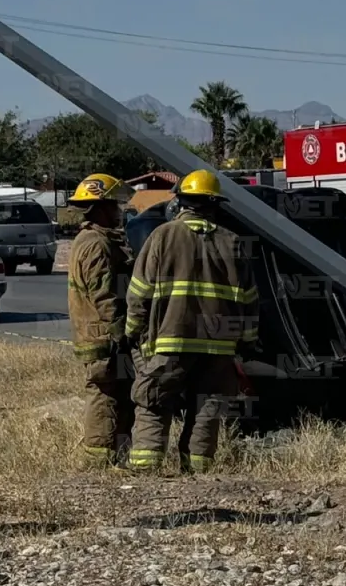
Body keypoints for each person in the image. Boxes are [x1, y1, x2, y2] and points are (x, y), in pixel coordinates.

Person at [124, 169, 259, 473]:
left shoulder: (163, 235)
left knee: (153, 403)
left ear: (181, 202)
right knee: (206, 410)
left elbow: (139, 292)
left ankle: (146, 471)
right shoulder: (233, 242)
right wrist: (247, 341)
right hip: (219, 348)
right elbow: (249, 300)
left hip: (171, 341)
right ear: (215, 205)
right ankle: (197, 473)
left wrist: (133, 331)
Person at [66, 173, 136, 467]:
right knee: (104, 395)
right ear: (100, 207)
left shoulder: (96, 239)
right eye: (114, 206)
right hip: (103, 337)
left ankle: (118, 455)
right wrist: (123, 332)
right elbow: (103, 293)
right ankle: (98, 459)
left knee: (118, 395)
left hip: (100, 335)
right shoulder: (95, 243)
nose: (119, 212)